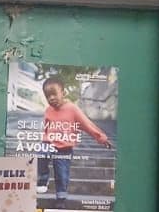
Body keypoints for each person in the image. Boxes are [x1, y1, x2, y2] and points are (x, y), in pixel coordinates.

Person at [36, 76, 113, 205]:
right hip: (49, 144)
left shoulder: (72, 109)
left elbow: (87, 124)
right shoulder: (48, 110)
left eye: (54, 94)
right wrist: (44, 141)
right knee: (41, 155)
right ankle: (43, 180)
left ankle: (61, 197)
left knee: (62, 173)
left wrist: (102, 138)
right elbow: (46, 128)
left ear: (64, 93)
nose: (51, 98)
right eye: (48, 96)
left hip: (64, 149)